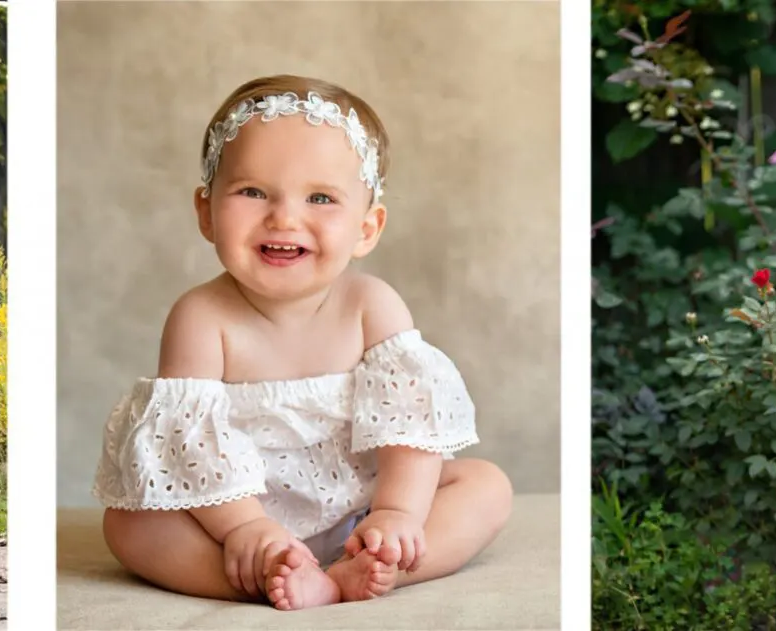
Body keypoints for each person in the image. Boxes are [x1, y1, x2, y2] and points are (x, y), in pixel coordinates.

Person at [91, 75, 514, 611]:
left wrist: (396, 513)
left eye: (320, 198)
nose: (284, 217)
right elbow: (188, 446)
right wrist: (247, 527)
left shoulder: (371, 306)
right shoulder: (200, 317)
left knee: (486, 485)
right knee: (129, 525)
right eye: (252, 192)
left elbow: (410, 428)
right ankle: (266, 577)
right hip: (234, 522)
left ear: (367, 227)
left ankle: (371, 571)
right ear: (206, 211)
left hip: (362, 513)